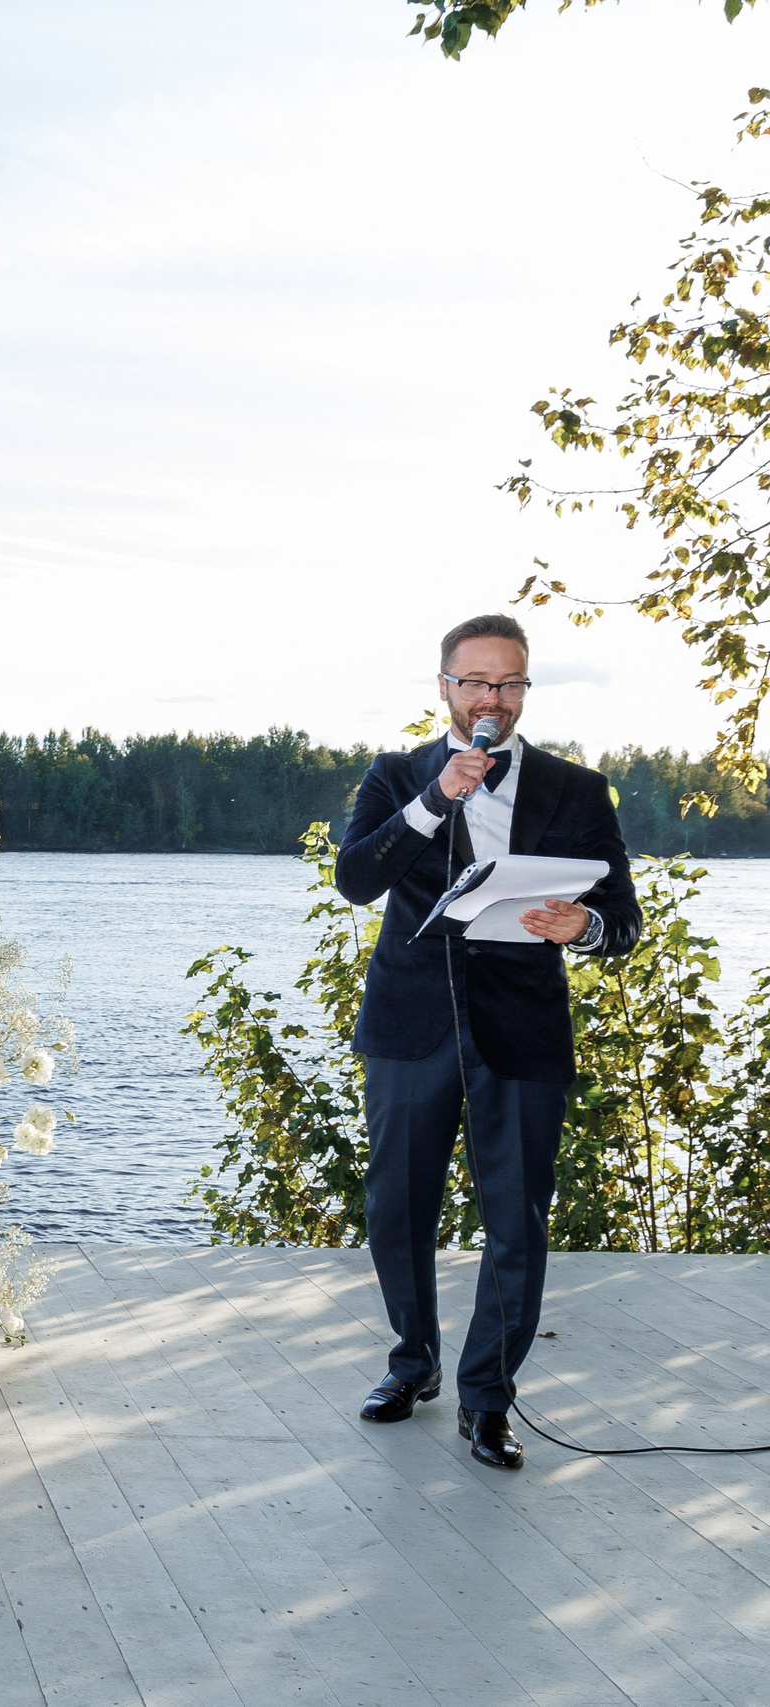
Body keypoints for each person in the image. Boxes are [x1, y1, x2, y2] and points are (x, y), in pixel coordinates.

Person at [335, 612, 638, 1470]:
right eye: (475, 682)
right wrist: (437, 802)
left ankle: (487, 1399)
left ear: (524, 691)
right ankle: (413, 1362)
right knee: (397, 1212)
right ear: (445, 689)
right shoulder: (397, 775)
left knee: (516, 1225)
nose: (491, 699)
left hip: (522, 1033)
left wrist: (581, 926)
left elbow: (624, 924)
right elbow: (356, 880)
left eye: (508, 683)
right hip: (409, 1025)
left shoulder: (576, 790)